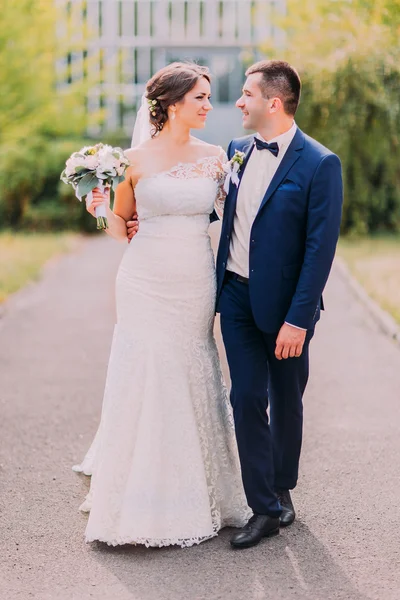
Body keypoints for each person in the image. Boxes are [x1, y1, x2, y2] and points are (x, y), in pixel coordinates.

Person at [128, 59, 343, 551]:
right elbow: (205, 202)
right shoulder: (237, 151)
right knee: (245, 397)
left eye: (246, 94)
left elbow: (319, 250)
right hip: (237, 297)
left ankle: (282, 486)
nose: (237, 102)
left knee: (287, 401)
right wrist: (148, 220)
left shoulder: (320, 164)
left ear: (273, 102)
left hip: (287, 307)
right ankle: (263, 507)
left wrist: (298, 319)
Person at [74, 62, 250, 548]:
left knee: (190, 364)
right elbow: (120, 226)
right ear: (172, 103)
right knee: (146, 367)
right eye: (200, 98)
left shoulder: (217, 157)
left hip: (194, 275)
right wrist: (101, 208)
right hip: (144, 278)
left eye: (208, 97)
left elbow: (237, 216)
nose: (208, 106)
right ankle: (139, 494)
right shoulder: (131, 159)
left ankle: (202, 487)